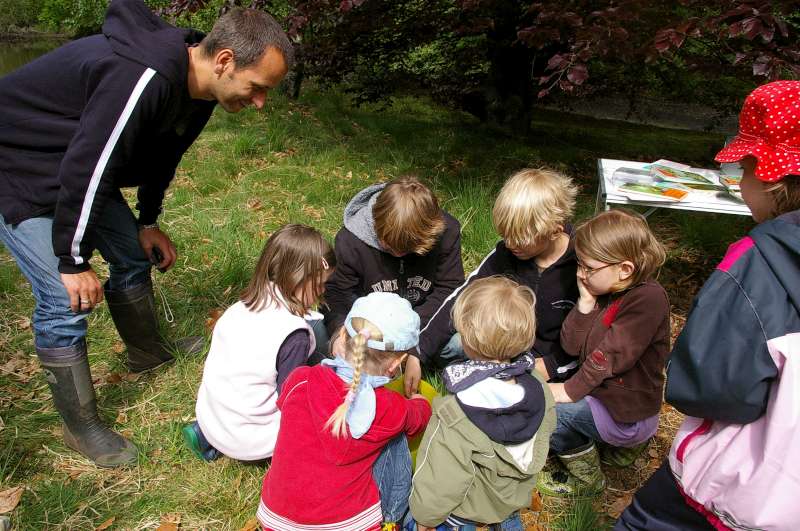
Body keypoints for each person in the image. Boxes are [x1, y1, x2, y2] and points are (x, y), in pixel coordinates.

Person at [0, 0, 293, 467]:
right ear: (224, 61)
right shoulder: (142, 75)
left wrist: (148, 221)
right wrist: (73, 260)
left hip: (72, 169)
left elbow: (163, 156)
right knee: (63, 297)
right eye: (258, 88)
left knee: (133, 256)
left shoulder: (199, 90)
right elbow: (91, 166)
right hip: (19, 168)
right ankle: (80, 427)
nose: (260, 103)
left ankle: (147, 354)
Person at [616, 80, 800, 530]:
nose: (739, 181)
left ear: (773, 179)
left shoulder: (758, 263)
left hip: (731, 491)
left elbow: (706, 386)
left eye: (744, 169)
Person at [259, 292, 432, 530]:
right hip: (347, 524)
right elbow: (419, 419)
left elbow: (285, 404)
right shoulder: (386, 406)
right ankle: (395, 519)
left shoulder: (300, 379)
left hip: (277, 518)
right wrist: (420, 402)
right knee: (396, 435)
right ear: (395, 364)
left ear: (342, 335)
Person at [537, 209, 670, 497]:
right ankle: (617, 448)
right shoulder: (605, 288)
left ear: (625, 269)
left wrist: (568, 391)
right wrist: (585, 304)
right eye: (579, 264)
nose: (580, 274)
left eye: (588, 268)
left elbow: (608, 355)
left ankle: (587, 479)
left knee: (549, 413)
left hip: (628, 414)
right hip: (606, 399)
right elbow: (571, 346)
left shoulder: (648, 299)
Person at [408, 276, 555, 530]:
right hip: (512, 498)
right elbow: (547, 428)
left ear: (466, 338)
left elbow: (442, 477)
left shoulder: (456, 413)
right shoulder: (539, 386)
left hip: (467, 513)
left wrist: (424, 518)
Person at [181, 224, 334, 462]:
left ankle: (205, 436)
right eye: (320, 284)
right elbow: (291, 398)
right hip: (253, 441)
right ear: (299, 279)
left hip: (212, 417)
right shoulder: (293, 336)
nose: (323, 291)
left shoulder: (241, 307)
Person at [418, 168, 579, 381]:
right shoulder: (506, 254)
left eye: (519, 238)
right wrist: (418, 351)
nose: (510, 244)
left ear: (555, 232)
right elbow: (460, 297)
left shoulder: (582, 265)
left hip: (547, 363)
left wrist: (550, 366)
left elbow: (591, 335)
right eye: (506, 235)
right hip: (502, 348)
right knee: (450, 344)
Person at [322, 175, 464, 395]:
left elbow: (450, 291)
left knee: (460, 343)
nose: (398, 254)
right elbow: (337, 293)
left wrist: (416, 348)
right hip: (370, 333)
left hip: (423, 325)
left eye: (409, 250)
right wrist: (338, 335)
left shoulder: (447, 233)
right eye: (389, 247)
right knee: (317, 335)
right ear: (375, 225)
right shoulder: (351, 241)